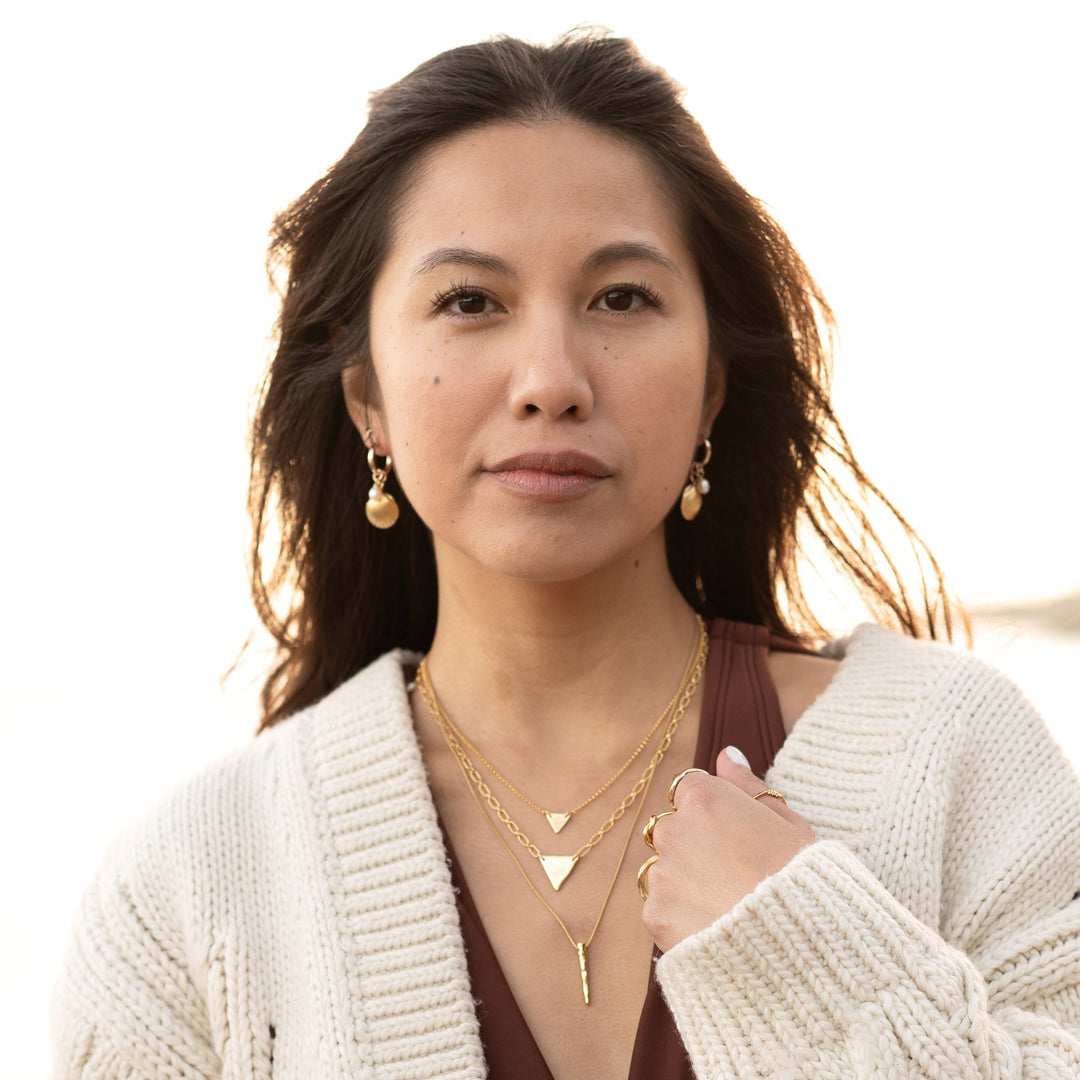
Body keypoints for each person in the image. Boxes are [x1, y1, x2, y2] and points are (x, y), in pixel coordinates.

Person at [53, 29, 1080, 1080]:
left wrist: (809, 959)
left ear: (713, 384)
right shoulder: (184, 890)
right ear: (370, 403)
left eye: (620, 297)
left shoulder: (956, 762)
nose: (551, 377)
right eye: (469, 302)